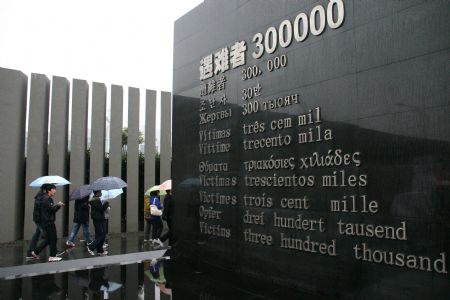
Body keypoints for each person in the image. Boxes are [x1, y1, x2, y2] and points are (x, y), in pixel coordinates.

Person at [32, 183, 65, 262]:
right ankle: (52, 256)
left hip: (45, 221)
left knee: (48, 239)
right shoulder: (47, 199)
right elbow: (51, 210)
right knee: (53, 239)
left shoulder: (43, 197)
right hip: (48, 222)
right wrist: (58, 205)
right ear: (49, 190)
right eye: (54, 189)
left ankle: (35, 252)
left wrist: (56, 206)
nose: (55, 191)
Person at [26, 186, 47, 259]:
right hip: (40, 219)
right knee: (48, 236)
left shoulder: (41, 195)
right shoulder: (41, 196)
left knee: (37, 234)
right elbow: (41, 208)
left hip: (38, 219)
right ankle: (54, 252)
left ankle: (30, 252)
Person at [87, 191, 109, 256]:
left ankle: (100, 251)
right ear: (97, 193)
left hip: (101, 219)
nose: (101, 193)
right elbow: (101, 209)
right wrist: (107, 203)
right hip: (98, 219)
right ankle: (91, 247)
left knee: (101, 234)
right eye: (100, 192)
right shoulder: (95, 200)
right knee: (101, 235)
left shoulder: (97, 199)